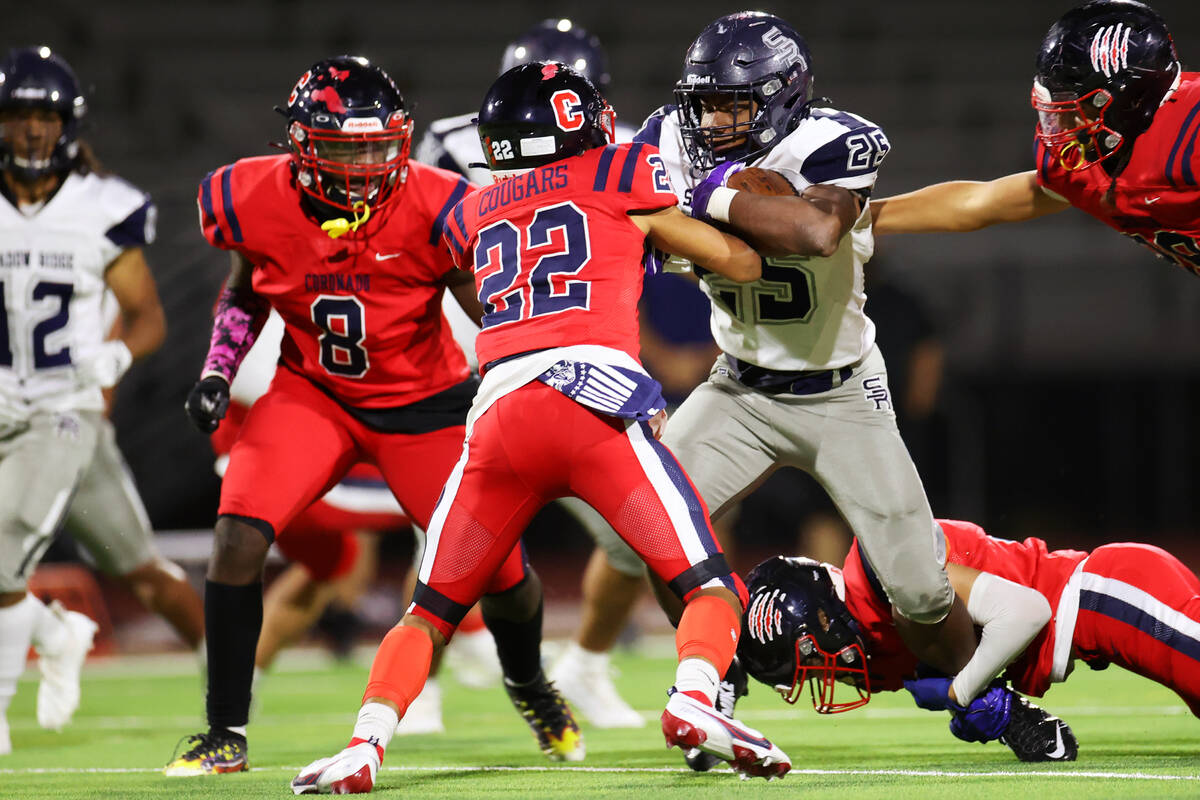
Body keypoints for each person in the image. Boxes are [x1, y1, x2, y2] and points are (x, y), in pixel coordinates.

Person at [291, 62, 789, 795]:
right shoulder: (619, 171)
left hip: (497, 413)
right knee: (710, 583)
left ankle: (365, 744)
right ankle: (690, 697)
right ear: (580, 122)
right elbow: (739, 263)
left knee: (427, 612)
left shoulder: (472, 208)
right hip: (590, 401)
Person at [165, 55, 568, 776]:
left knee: (501, 571)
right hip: (313, 392)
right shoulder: (250, 195)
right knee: (236, 538)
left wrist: (524, 376)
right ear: (303, 144)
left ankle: (529, 681)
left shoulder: (436, 202)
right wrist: (218, 368)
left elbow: (489, 309)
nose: (369, 164)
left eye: (382, 146)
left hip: (425, 404)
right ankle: (224, 729)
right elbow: (248, 287)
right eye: (349, 149)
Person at [634, 11, 980, 768]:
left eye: (738, 105)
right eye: (708, 105)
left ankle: (986, 696)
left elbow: (815, 233)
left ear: (786, 98)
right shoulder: (665, 136)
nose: (718, 122)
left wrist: (707, 196)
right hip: (737, 390)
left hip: (842, 392)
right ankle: (715, 680)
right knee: (653, 534)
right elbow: (628, 225)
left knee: (921, 595)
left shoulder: (833, 140)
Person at [414, 18, 647, 730]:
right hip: (478, 360)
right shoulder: (455, 141)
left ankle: (590, 663)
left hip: (581, 356)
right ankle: (422, 682)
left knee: (633, 536)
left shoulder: (626, 146)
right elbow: (427, 246)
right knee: (450, 531)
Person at [0, 46, 205, 755]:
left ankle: (228, 673)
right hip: (7, 409)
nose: (31, 131)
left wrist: (113, 358)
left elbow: (145, 315)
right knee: (136, 567)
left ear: (66, 124)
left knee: (28, 549)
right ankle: (57, 632)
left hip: (65, 409)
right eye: (18, 115)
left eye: (44, 117)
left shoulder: (101, 207)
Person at [737, 518, 1200, 759]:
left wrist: (964, 691)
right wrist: (1006, 716)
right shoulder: (870, 648)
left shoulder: (885, 570)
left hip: (1101, 592)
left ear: (821, 618)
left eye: (813, 662)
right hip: (1096, 620)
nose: (826, 674)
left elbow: (1026, 612)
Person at [870, 0, 1199, 277]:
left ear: (1131, 97)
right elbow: (981, 203)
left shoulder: (1189, 130)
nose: (1063, 122)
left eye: (1079, 104)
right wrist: (864, 219)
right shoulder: (1091, 162)